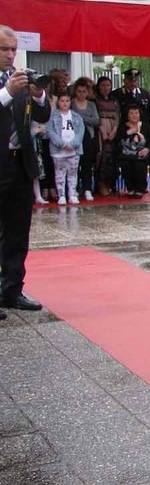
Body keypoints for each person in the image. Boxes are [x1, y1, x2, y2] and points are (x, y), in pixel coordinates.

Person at [0, 25, 51, 314]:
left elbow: (42, 115)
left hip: (20, 163)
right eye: (4, 49)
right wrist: (7, 92)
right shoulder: (9, 86)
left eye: (13, 49)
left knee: (18, 230)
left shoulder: (18, 81)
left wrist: (39, 95)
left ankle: (12, 289)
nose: (10, 55)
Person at [47, 93, 84, 205]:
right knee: (59, 173)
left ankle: (72, 194)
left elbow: (80, 131)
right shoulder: (53, 116)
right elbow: (50, 131)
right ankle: (61, 195)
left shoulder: (76, 116)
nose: (64, 103)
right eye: (62, 101)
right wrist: (61, 144)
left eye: (67, 101)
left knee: (73, 173)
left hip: (74, 150)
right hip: (59, 151)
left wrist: (74, 144)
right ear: (58, 102)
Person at [69, 78, 98, 201]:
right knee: (75, 164)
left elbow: (96, 120)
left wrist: (81, 117)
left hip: (88, 136)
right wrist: (86, 118)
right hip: (74, 136)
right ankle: (73, 189)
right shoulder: (70, 103)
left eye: (84, 91)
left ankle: (87, 189)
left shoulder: (91, 105)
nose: (81, 94)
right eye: (79, 91)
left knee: (87, 164)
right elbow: (69, 117)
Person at [117, 105, 150, 196]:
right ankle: (130, 188)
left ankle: (140, 188)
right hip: (126, 154)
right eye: (131, 113)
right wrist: (128, 132)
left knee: (139, 165)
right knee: (125, 164)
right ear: (127, 115)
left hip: (141, 153)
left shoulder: (146, 126)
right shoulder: (122, 126)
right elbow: (117, 140)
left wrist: (147, 149)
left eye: (136, 113)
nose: (134, 115)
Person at [94, 76, 120, 197]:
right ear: (99, 86)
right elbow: (96, 116)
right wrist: (103, 131)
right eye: (103, 85)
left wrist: (114, 130)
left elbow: (118, 116)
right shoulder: (95, 100)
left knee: (112, 157)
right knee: (101, 157)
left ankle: (111, 183)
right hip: (100, 131)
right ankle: (101, 184)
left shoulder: (115, 100)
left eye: (108, 85)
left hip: (113, 130)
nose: (106, 88)